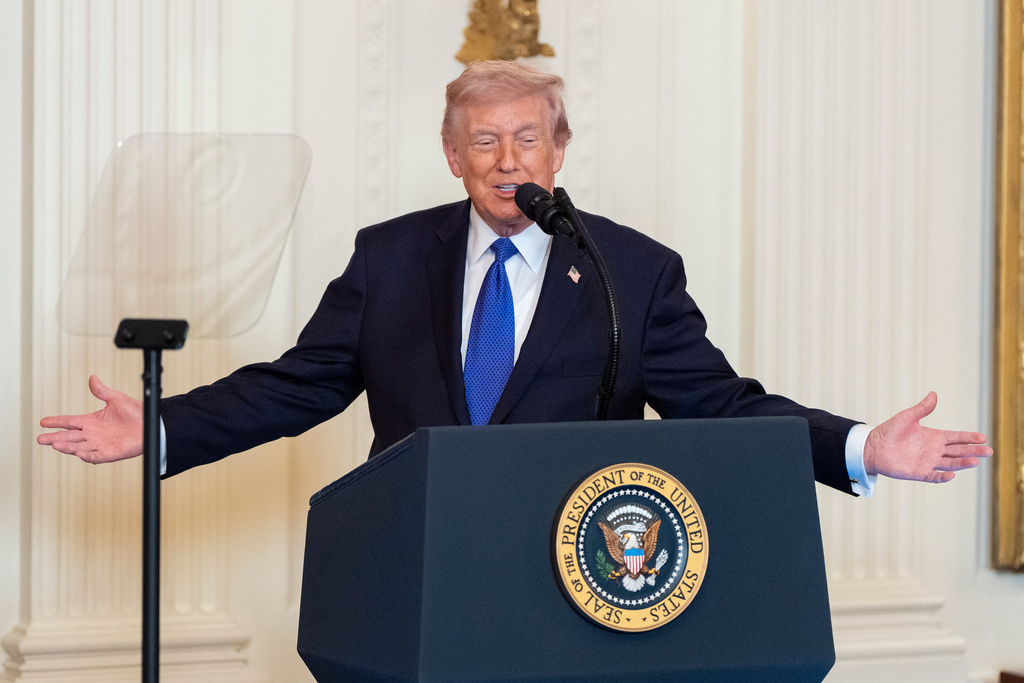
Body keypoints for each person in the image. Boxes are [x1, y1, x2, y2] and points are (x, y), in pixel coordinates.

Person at [37, 60, 990, 494]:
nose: (506, 161)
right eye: (483, 141)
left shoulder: (632, 270)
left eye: (526, 139)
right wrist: (163, 425)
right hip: (412, 557)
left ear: (558, 150)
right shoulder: (389, 257)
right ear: (452, 156)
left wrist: (859, 446)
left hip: (574, 564)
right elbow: (299, 385)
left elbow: (721, 406)